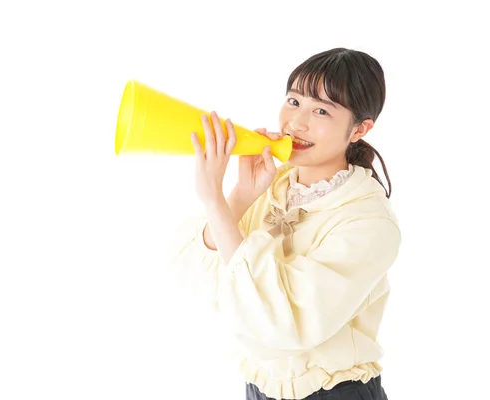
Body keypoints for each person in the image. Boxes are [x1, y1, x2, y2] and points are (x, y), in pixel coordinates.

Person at [169, 47, 400, 400]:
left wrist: (213, 200)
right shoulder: (271, 184)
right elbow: (199, 280)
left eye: (321, 110)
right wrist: (238, 197)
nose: (297, 123)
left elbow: (281, 325)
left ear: (360, 129)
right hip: (259, 389)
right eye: (293, 101)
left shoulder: (369, 222)